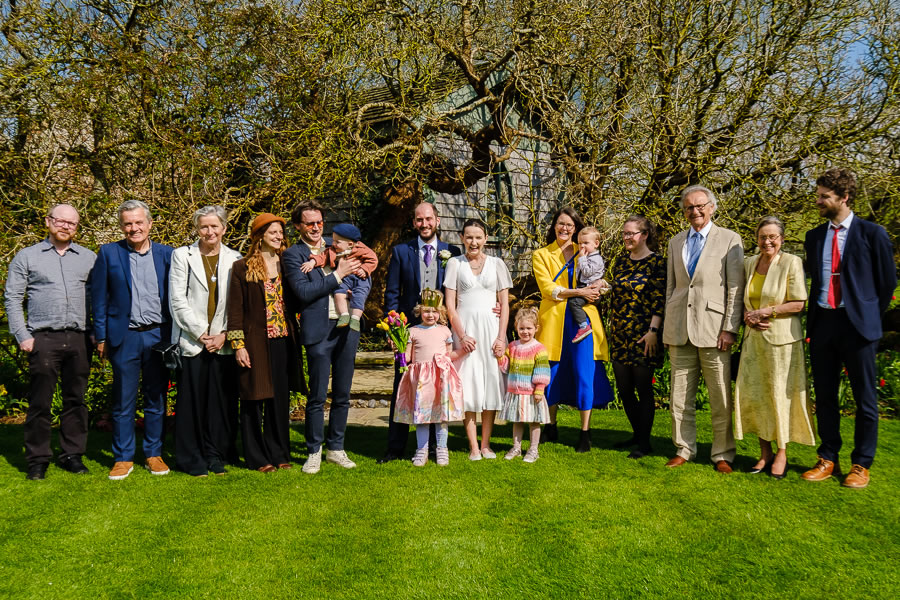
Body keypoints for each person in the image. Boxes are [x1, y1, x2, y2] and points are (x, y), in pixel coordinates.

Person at [802, 168, 896, 488]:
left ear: (844, 197)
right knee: (825, 396)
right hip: (823, 323)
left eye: (824, 196)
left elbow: (887, 283)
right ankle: (828, 457)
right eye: (818, 195)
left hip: (859, 327)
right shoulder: (814, 236)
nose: (818, 201)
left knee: (865, 398)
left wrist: (867, 316)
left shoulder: (873, 234)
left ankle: (861, 464)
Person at [4, 204, 95, 480]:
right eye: (60, 221)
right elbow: (12, 297)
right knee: (40, 402)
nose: (66, 226)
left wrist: (96, 333)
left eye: (72, 223)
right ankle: (37, 459)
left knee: (76, 400)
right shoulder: (27, 257)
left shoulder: (88, 258)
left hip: (79, 337)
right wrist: (23, 335)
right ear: (48, 221)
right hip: (42, 338)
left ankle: (72, 455)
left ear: (77, 227)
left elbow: (98, 298)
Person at [663, 186, 744, 473]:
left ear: (712, 207)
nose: (694, 211)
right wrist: (668, 326)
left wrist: (730, 328)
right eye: (689, 207)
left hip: (714, 329)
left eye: (700, 206)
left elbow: (735, 287)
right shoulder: (675, 242)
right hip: (679, 328)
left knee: (719, 396)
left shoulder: (730, 239)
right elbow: (672, 288)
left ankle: (722, 453)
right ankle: (684, 449)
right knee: (679, 397)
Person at [92, 200, 174, 480]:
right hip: (124, 336)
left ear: (150, 224)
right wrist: (101, 336)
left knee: (156, 398)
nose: (134, 228)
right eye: (128, 223)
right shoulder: (109, 253)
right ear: (121, 226)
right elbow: (99, 298)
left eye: (139, 222)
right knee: (123, 401)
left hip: (158, 335)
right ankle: (123, 457)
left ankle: (153, 453)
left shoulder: (167, 254)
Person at [283, 200, 362, 474]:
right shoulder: (293, 255)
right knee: (317, 395)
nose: (316, 228)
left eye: (319, 222)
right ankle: (314, 451)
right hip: (318, 328)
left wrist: (357, 282)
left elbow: (364, 269)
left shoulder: (339, 246)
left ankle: (336, 448)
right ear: (298, 226)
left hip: (347, 326)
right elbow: (304, 293)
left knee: (342, 393)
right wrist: (338, 275)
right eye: (309, 223)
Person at [379, 202, 462, 464]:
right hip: (409, 335)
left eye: (428, 219)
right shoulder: (401, 251)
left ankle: (436, 447)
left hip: (439, 332)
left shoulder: (452, 252)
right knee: (403, 388)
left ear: (437, 220)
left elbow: (459, 292)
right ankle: (395, 447)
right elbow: (392, 293)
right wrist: (394, 330)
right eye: (419, 220)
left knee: (438, 389)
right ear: (414, 222)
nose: (424, 224)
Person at [733, 216, 814, 479]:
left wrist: (767, 312)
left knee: (779, 395)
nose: (767, 241)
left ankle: (781, 452)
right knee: (756, 396)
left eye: (772, 237)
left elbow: (799, 303)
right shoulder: (749, 263)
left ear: (782, 239)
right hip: (754, 341)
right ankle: (764, 452)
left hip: (782, 342)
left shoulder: (791, 262)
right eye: (762, 237)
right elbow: (743, 299)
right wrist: (748, 316)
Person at [532, 207, 614, 453]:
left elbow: (601, 280)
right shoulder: (541, 254)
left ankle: (585, 432)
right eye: (561, 223)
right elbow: (547, 288)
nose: (565, 228)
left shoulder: (585, 249)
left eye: (569, 225)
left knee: (584, 371)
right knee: (552, 372)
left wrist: (600, 287)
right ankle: (551, 425)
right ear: (554, 226)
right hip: (554, 321)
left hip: (582, 322)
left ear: (576, 228)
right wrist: (579, 292)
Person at [169, 205, 242, 477]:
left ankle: (216, 454)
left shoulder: (235, 258)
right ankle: (192, 458)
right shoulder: (182, 256)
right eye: (204, 226)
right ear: (197, 229)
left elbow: (237, 303)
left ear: (224, 228)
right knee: (192, 403)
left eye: (214, 226)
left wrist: (223, 335)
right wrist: (201, 333)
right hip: (193, 341)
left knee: (219, 403)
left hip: (222, 342)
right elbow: (177, 300)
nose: (209, 231)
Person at [226, 213, 300, 473]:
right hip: (254, 342)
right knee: (253, 399)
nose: (279, 237)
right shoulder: (242, 267)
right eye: (273, 232)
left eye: (281, 232)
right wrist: (239, 346)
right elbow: (235, 311)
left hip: (283, 341)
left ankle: (279, 453)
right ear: (259, 236)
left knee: (279, 401)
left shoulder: (287, 264)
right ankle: (257, 457)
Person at [445, 218, 511, 460]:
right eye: (469, 237)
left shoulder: (497, 264)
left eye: (478, 237)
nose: (473, 242)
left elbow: (505, 305)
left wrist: (501, 337)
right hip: (465, 331)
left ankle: (486, 445)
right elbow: (450, 306)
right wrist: (462, 336)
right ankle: (473, 446)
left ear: (485, 239)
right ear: (462, 238)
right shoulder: (455, 264)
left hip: (491, 331)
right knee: (469, 385)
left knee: (491, 384)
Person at [604, 215, 666, 459]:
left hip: (644, 334)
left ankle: (644, 443)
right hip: (621, 334)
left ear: (645, 235)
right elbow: (618, 290)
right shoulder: (621, 261)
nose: (626, 237)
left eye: (631, 233)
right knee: (624, 388)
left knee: (643, 388)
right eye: (624, 233)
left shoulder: (657, 262)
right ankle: (638, 434)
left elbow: (659, 299)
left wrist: (653, 332)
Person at [393, 289, 466, 466]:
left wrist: (463, 351)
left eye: (434, 311)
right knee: (422, 416)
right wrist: (398, 349)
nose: (430, 315)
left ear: (440, 312)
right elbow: (408, 356)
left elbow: (448, 355)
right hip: (421, 379)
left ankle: (442, 449)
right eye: (426, 311)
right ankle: (422, 450)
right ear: (419, 311)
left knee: (441, 417)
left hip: (440, 378)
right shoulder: (413, 331)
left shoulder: (444, 331)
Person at [300, 222, 378, 331]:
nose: (333, 244)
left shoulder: (361, 249)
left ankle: (355, 319)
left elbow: (373, 259)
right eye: (333, 240)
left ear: (350, 244)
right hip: (345, 278)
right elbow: (322, 256)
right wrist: (312, 262)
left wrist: (365, 269)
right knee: (338, 292)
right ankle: (344, 315)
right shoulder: (333, 250)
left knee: (359, 295)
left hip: (361, 279)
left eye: (337, 242)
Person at [499, 306, 551, 463]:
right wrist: (500, 357)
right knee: (518, 420)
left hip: (532, 393)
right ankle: (516, 447)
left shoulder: (539, 349)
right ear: (516, 327)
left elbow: (542, 370)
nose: (525, 332)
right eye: (522, 328)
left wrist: (539, 389)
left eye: (529, 328)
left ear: (536, 328)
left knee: (534, 421)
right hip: (515, 392)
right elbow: (506, 367)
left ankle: (533, 449)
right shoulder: (512, 346)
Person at [569, 226, 606, 344]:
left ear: (596, 244)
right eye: (580, 243)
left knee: (574, 302)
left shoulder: (596, 259)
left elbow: (587, 272)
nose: (582, 246)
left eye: (586, 243)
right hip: (584, 288)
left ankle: (583, 326)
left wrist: (582, 258)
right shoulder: (587, 257)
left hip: (593, 292)